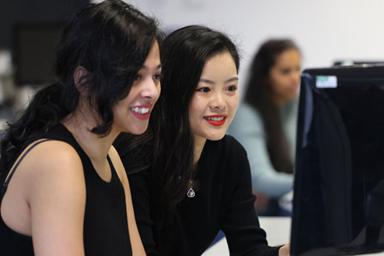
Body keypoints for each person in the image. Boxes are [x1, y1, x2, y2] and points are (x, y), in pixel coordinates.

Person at [0, 0, 161, 255]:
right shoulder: (58, 161)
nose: (151, 91)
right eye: (134, 76)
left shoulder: (111, 156)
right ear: (84, 80)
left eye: (156, 76)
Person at [116, 25, 289, 256]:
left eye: (230, 88)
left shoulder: (230, 156)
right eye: (204, 89)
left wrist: (293, 250)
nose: (220, 102)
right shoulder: (137, 157)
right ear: (175, 89)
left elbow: (248, 249)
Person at [228, 39, 301, 215]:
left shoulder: (300, 105)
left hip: (285, 202)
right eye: (285, 71)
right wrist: (310, 182)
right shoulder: (247, 114)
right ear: (266, 75)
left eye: (298, 69)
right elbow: (259, 179)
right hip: (260, 212)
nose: (295, 78)